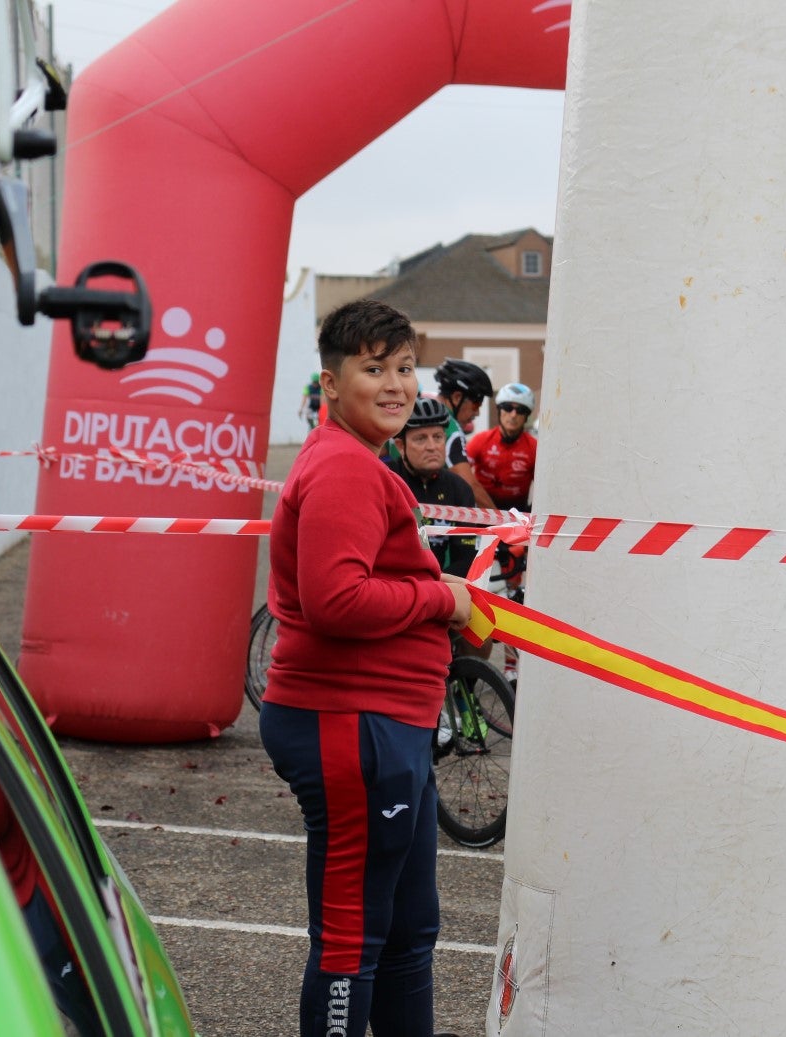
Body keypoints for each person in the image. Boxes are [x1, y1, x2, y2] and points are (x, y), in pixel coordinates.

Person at [259, 298, 472, 1037]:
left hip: (390, 727)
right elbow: (334, 601)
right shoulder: (345, 469)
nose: (394, 384)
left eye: (405, 367)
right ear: (330, 382)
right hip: (350, 727)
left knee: (412, 929)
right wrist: (437, 598)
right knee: (354, 945)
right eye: (373, 368)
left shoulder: (361, 463)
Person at [387, 397, 479, 579]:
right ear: (401, 446)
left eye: (437, 437)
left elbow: (465, 558)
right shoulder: (386, 481)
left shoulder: (460, 489)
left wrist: (434, 588)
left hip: (440, 587)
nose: (432, 447)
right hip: (393, 585)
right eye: (420, 439)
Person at [432, 358, 498, 510]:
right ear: (456, 397)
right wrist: (504, 522)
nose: (478, 412)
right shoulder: (449, 426)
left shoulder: (420, 412)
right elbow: (469, 485)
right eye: (476, 404)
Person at [466, 382, 539, 513]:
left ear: (527, 416)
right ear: (499, 410)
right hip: (482, 511)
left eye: (521, 410)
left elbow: (544, 488)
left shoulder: (534, 447)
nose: (513, 415)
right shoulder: (480, 440)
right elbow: (461, 474)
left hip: (518, 512)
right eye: (508, 407)